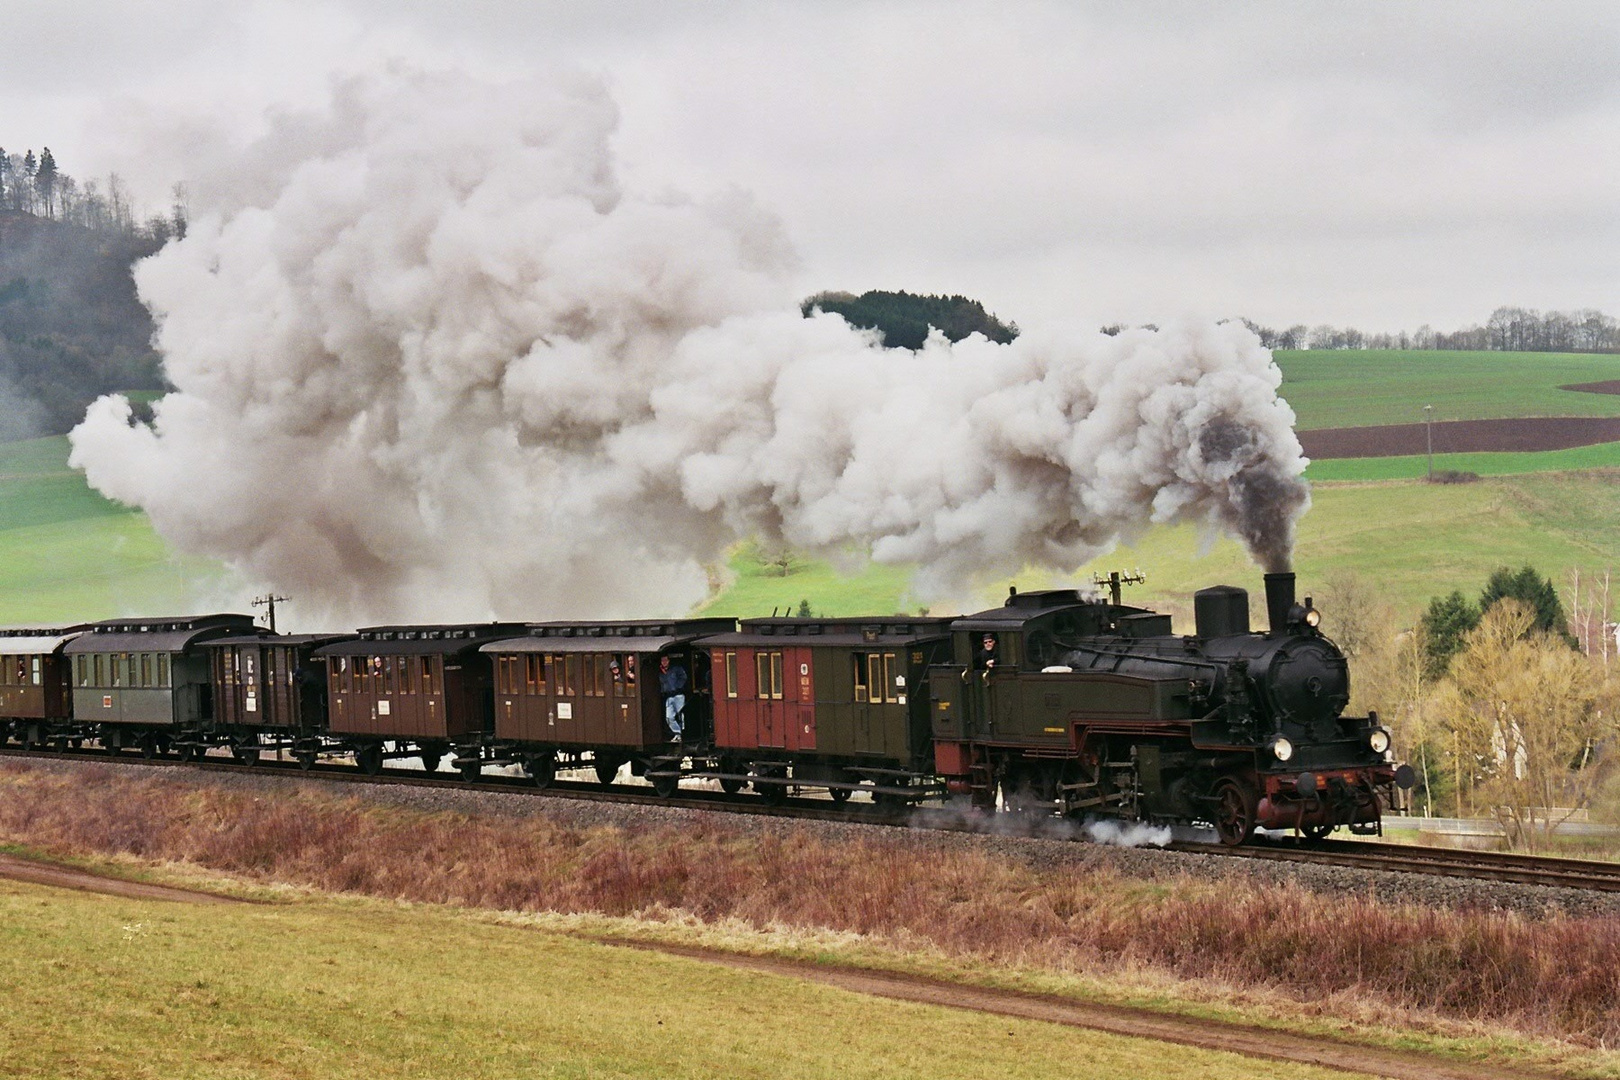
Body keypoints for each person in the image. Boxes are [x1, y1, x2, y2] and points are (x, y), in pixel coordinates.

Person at [659, 655, 688, 740]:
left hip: (678, 695)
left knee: (680, 715)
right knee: (669, 717)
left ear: (669, 661)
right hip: (668, 696)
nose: (664, 662)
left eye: (665, 660)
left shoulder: (676, 669)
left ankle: (683, 734)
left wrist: (677, 687)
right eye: (662, 661)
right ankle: (677, 733)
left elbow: (683, 677)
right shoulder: (661, 672)